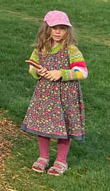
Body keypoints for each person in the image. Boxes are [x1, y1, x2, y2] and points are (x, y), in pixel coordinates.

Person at [21, 10, 86, 176]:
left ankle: (61, 161)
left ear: (67, 30)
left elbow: (82, 71)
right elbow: (32, 67)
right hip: (45, 96)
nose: (58, 32)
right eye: (54, 27)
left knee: (64, 127)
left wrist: (61, 73)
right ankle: (43, 157)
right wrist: (38, 72)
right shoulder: (40, 49)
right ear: (47, 29)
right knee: (43, 125)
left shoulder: (71, 49)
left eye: (62, 28)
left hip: (65, 96)